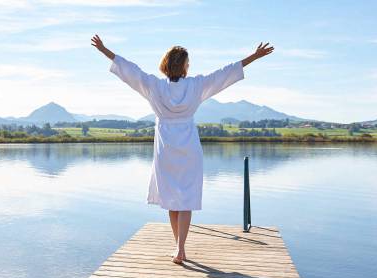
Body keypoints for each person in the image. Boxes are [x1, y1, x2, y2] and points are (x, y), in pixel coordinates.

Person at [91, 34, 274, 264]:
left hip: (166, 150)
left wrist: (105, 50)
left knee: (171, 199)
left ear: (166, 64)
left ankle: (179, 249)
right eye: (188, 63)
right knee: (185, 199)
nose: (189, 66)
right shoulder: (196, 86)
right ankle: (180, 249)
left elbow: (130, 70)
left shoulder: (154, 86)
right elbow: (224, 74)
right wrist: (254, 57)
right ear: (183, 65)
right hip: (189, 148)